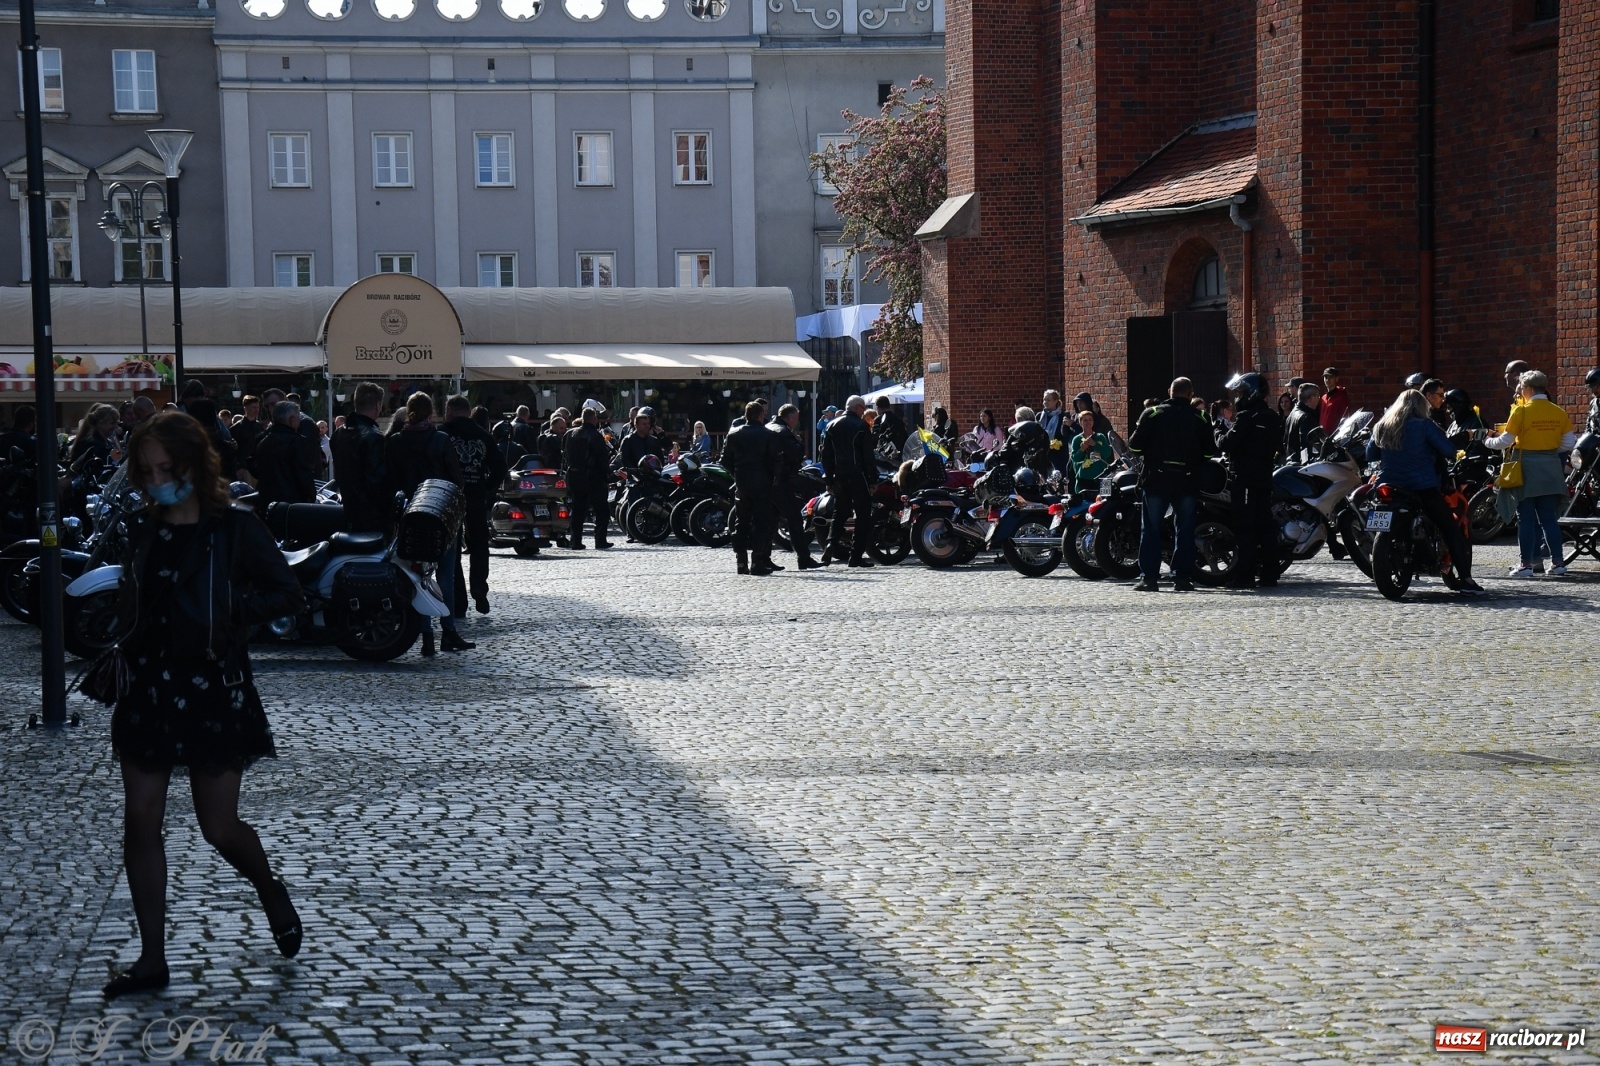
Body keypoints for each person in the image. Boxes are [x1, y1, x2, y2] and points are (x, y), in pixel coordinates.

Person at [103, 412, 306, 999]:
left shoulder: (235, 528)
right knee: (140, 818)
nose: (156, 479)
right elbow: (132, 596)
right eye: (147, 471)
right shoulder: (144, 527)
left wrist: (231, 614)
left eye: (166, 468)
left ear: (194, 464)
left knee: (217, 826)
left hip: (215, 685)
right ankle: (152, 958)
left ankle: (269, 888)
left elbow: (286, 592)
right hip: (148, 687)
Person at [1366, 389, 1485, 594]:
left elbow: (1370, 454)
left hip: (1388, 486)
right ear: (1421, 407)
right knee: (1450, 527)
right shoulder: (1424, 426)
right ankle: (1466, 580)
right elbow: (1448, 451)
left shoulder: (1382, 426)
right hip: (1421, 487)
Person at [385, 392, 474, 653]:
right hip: (439, 514)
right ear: (431, 412)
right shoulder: (440, 440)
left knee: (418, 574)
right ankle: (448, 631)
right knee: (446, 574)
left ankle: (426, 637)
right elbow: (457, 479)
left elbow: (391, 480)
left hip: (410, 515)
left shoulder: (396, 441)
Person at [1125, 377, 1218, 592]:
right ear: (1190, 394)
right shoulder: (1201, 417)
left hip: (1156, 480)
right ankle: (1182, 578)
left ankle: (1149, 578)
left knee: (1151, 529)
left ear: (1170, 391)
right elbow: (1208, 452)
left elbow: (1135, 447)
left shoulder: (1153, 413)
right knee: (1184, 530)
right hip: (1186, 481)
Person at [1486, 370, 1576, 578]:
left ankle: (1526, 565)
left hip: (1525, 468)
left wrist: (1487, 441)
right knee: (1549, 518)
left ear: (1527, 389)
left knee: (1525, 518)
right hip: (1551, 468)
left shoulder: (1521, 412)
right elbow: (1569, 443)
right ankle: (1558, 563)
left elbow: (1505, 441)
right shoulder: (1558, 412)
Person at [1218, 372, 1285, 588]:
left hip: (1245, 479)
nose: (1238, 397)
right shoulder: (1272, 417)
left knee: (1245, 528)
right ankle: (1270, 573)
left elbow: (1227, 443)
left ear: (1251, 393)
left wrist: (1218, 431)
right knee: (1265, 527)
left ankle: (1245, 576)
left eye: (1240, 392)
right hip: (1264, 478)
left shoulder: (1247, 417)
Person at [443, 394, 508, 615]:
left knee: (453, 548)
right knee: (480, 543)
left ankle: (458, 600)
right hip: (476, 496)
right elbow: (500, 467)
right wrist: (486, 487)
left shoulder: (443, 434)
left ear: (449, 411)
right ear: (469, 412)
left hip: (450, 497)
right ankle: (479, 586)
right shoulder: (483, 435)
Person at [722, 400, 783, 575]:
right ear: (760, 415)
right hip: (763, 483)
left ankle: (741, 561)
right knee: (762, 523)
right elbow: (777, 461)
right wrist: (773, 479)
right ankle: (757, 561)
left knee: (741, 522)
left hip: (742, 482)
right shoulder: (769, 435)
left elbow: (724, 460)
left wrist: (736, 473)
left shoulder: (734, 434)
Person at [819, 395, 876, 567]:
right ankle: (855, 556)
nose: (864, 411)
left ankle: (830, 544)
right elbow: (868, 456)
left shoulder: (830, 425)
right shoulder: (861, 426)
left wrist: (829, 480)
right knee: (863, 515)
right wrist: (873, 480)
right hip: (858, 475)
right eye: (863, 408)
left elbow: (825, 457)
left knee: (840, 511)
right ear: (858, 408)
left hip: (839, 476)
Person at [329, 382, 391, 536]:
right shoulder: (374, 437)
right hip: (370, 516)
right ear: (378, 405)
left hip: (347, 509)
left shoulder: (339, 434)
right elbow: (376, 482)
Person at [769, 403, 820, 570]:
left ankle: (762, 558)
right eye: (796, 418)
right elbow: (796, 454)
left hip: (767, 481)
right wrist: (798, 442)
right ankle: (803, 558)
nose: (796, 422)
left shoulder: (768, 427)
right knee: (795, 519)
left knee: (769, 521)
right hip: (781, 481)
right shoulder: (783, 432)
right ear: (790, 417)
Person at [561, 404, 613, 550]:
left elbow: (564, 454)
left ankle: (575, 541)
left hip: (574, 476)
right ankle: (600, 540)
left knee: (578, 510)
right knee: (601, 510)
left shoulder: (569, 434)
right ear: (594, 419)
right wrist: (606, 476)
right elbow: (601, 458)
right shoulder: (595, 435)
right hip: (593, 477)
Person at [249, 401, 319, 507]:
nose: (299, 421)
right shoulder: (296, 442)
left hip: (267, 504)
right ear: (291, 420)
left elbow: (256, 470)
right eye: (298, 417)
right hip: (292, 506)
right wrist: (311, 499)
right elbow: (304, 476)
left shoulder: (263, 441)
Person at [1067, 409, 1115, 493]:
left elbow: (1108, 453)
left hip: (1102, 476)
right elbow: (1074, 458)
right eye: (1085, 420)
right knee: (1084, 502)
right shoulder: (1077, 439)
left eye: (1090, 420)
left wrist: (1095, 445)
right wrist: (1082, 449)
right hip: (1084, 477)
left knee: (1104, 501)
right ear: (1080, 422)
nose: (1088, 422)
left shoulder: (1100, 437)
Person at [1282, 381, 1324, 463]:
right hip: (1300, 466)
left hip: (1291, 463)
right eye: (1318, 397)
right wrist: (1307, 464)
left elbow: (1285, 442)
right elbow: (1305, 445)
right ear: (1311, 398)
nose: (1319, 399)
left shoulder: (1292, 414)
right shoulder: (1306, 417)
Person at [1318, 368, 1350, 435]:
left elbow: (1345, 417)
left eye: (1331, 377)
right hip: (1323, 436)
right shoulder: (1323, 398)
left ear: (1337, 379)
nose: (1328, 379)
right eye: (1326, 377)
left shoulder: (1342, 397)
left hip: (1335, 436)